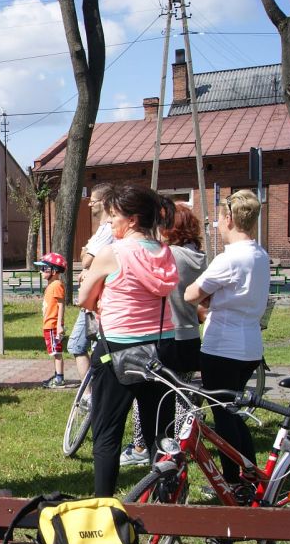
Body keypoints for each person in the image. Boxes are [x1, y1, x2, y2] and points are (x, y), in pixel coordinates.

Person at [78, 185, 178, 497]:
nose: (109, 222)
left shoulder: (113, 253)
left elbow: (84, 299)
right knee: (160, 434)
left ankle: (103, 505)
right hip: (161, 349)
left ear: (132, 220)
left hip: (117, 349)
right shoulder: (164, 253)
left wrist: (99, 296)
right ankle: (166, 500)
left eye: (113, 216)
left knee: (107, 434)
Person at [184, 189, 269, 499]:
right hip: (250, 347)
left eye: (219, 219)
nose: (217, 225)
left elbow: (191, 294)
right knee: (233, 412)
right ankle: (250, 474)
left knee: (223, 416)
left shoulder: (229, 258)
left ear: (230, 218)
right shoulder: (260, 254)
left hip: (222, 347)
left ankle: (234, 482)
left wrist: (209, 296)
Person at [120, 201, 207, 466]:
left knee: (148, 395)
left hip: (167, 335)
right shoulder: (199, 258)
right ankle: (183, 444)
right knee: (182, 394)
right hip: (191, 336)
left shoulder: (170, 255)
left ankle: (141, 446)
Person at [68, 184, 113, 382]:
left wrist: (88, 260)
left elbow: (86, 260)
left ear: (104, 202)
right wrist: (87, 257)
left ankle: (91, 393)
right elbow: (83, 256)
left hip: (96, 300)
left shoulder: (109, 230)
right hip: (92, 300)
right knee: (95, 349)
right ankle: (96, 390)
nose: (89, 205)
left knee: (79, 346)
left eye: (93, 201)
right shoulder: (101, 230)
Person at [36, 252, 67, 388]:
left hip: (53, 325)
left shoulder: (56, 285)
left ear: (54, 271)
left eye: (44, 268)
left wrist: (59, 325)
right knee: (53, 352)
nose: (41, 271)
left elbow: (61, 305)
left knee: (57, 353)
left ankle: (59, 378)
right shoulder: (51, 284)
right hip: (48, 325)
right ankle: (56, 375)